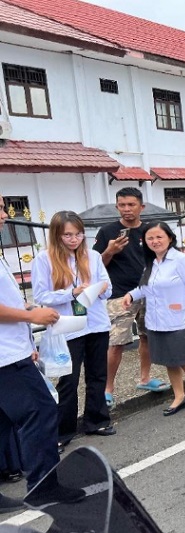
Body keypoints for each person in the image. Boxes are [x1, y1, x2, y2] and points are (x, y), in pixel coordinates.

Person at [32, 211, 115, 450]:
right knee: (68, 380)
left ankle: (96, 421)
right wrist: (72, 292)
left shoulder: (93, 256)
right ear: (57, 235)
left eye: (78, 234)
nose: (74, 239)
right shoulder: (44, 259)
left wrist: (100, 289)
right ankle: (62, 431)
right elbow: (41, 295)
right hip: (67, 326)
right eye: (67, 235)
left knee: (98, 375)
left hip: (96, 322)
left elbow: (108, 288)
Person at [0, 193, 62, 509]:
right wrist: (30, 316)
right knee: (39, 412)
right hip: (6, 358)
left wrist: (22, 308)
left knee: (3, 422)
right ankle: (43, 485)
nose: (4, 214)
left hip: (11, 349)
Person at [122, 222, 185, 417]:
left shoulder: (181, 261)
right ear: (145, 242)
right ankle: (179, 396)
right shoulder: (151, 262)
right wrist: (131, 295)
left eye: (159, 237)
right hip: (156, 321)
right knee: (170, 361)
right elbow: (145, 288)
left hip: (182, 320)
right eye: (150, 238)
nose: (155, 241)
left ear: (170, 238)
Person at [93, 187, 169, 409]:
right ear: (117, 206)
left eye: (131, 205)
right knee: (115, 343)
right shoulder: (107, 232)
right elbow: (95, 268)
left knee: (147, 337)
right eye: (122, 205)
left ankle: (144, 379)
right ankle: (107, 389)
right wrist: (109, 251)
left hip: (148, 293)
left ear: (141, 207)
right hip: (118, 296)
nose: (127, 209)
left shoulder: (149, 231)